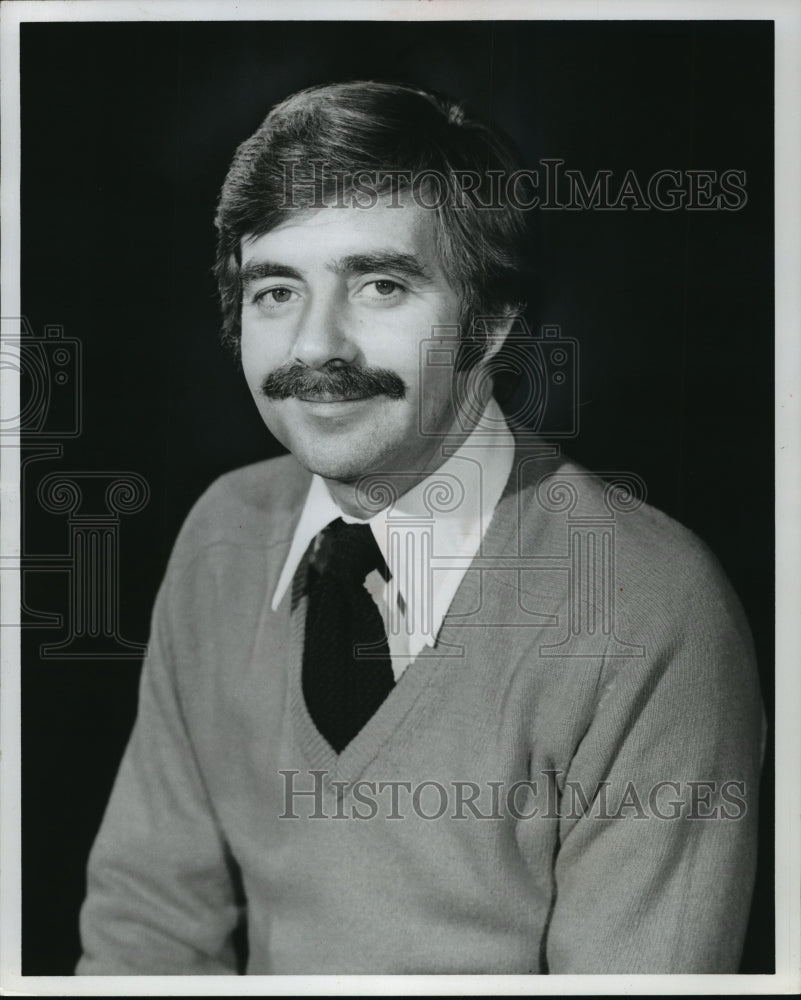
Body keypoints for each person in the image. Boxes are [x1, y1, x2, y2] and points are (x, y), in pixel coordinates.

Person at [76, 80, 764, 976]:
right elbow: (145, 931)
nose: (315, 348)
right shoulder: (222, 535)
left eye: (380, 284)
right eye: (276, 291)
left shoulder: (650, 608)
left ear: (489, 325)